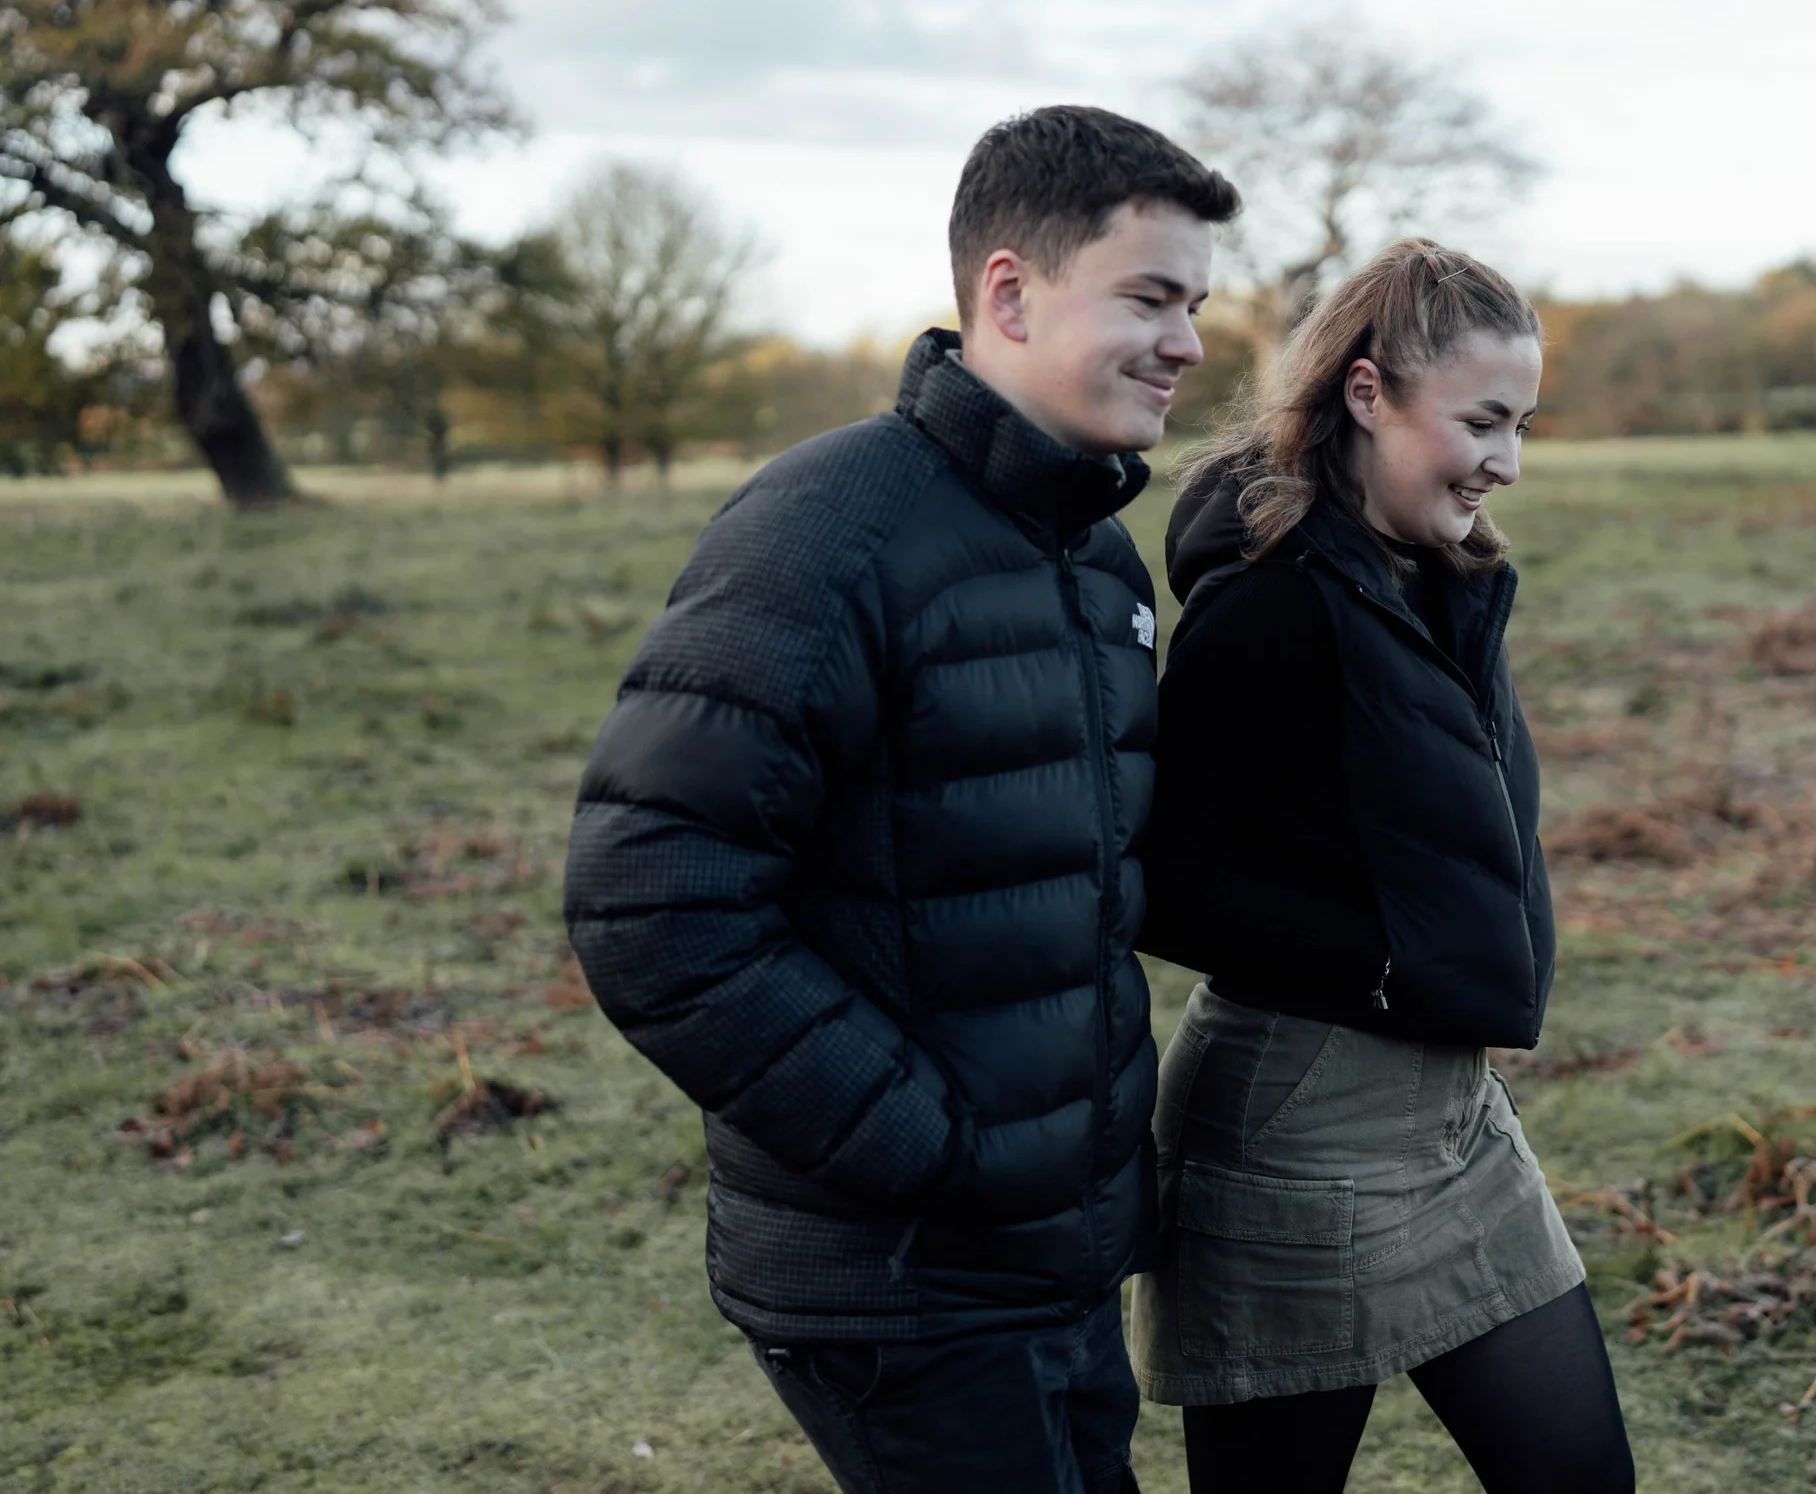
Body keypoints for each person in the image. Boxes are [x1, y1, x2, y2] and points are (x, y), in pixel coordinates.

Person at [562, 105, 1239, 1494]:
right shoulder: (826, 530)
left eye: (1198, 304)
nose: (1189, 342)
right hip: (906, 1274)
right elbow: (652, 900)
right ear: (1008, 290)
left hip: (1057, 1250)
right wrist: (926, 1142)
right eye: (1153, 297)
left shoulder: (1100, 557)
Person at [1134, 239, 1637, 1493]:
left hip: (1453, 1118)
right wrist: (1383, 966)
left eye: (1522, 424)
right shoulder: (1271, 606)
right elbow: (1162, 871)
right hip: (1299, 1129)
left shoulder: (1439, 578)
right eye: (1480, 420)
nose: (1504, 461)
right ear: (1367, 394)